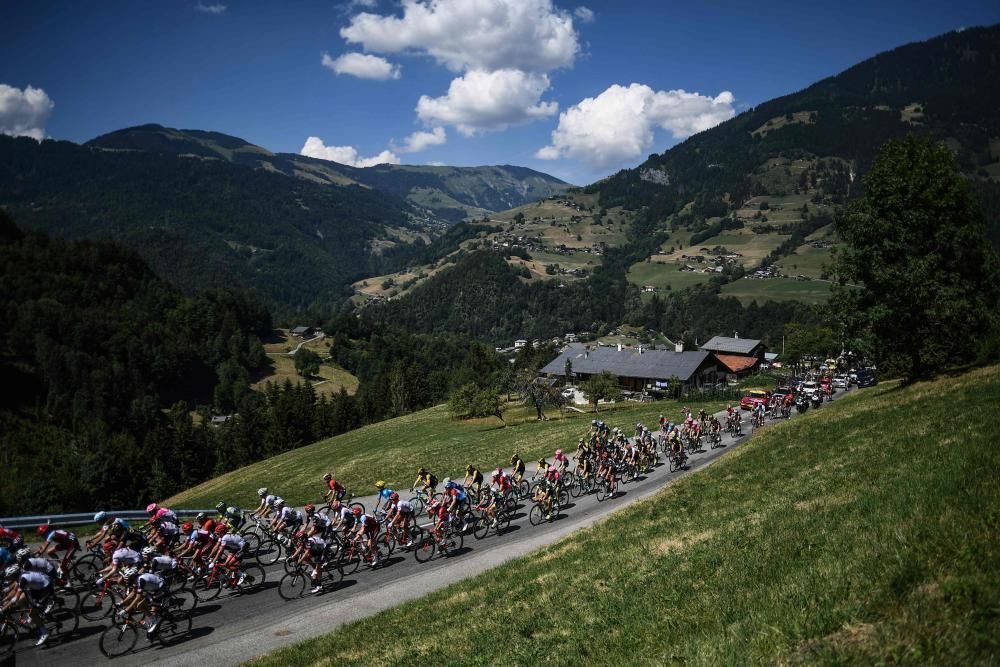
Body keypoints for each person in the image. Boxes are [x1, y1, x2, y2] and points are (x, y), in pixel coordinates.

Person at [2, 565, 53, 645]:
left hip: (46, 587)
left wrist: (3, 608)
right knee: (21, 600)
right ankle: (35, 617)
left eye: (9, 577)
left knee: (32, 613)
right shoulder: (20, 577)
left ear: (14, 575)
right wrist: (3, 601)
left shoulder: (23, 579)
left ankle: (44, 632)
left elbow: (15, 598)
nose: (8, 579)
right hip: (38, 586)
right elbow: (14, 591)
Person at [119, 566, 166, 636]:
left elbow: (137, 597)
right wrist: (121, 603)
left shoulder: (141, 581)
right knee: (141, 605)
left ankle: (156, 619)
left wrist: (126, 610)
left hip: (160, 589)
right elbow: (133, 593)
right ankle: (154, 618)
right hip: (153, 590)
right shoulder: (135, 579)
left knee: (140, 605)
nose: (125, 581)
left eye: (125, 580)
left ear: (129, 578)